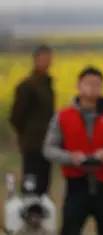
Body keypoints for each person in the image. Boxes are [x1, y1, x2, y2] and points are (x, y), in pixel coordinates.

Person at [43, 66, 103, 235]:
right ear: (78, 86)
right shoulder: (63, 115)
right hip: (76, 185)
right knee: (70, 229)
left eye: (97, 84)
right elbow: (48, 149)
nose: (93, 88)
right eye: (88, 84)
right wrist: (70, 157)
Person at [9, 44, 55, 195]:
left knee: (44, 183)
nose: (47, 62)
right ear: (35, 60)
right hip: (32, 143)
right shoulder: (27, 86)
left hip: (47, 142)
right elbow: (16, 116)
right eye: (44, 58)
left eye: (49, 59)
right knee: (31, 184)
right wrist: (27, 134)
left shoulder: (48, 84)